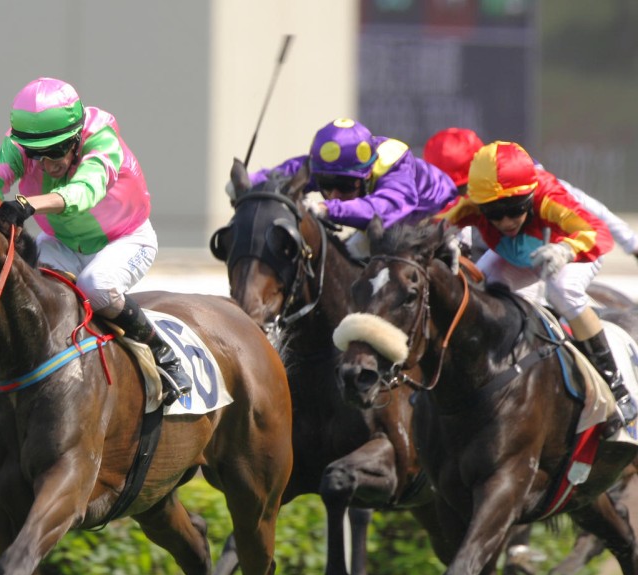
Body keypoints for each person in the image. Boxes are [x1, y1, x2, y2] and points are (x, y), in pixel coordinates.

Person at [0, 76, 191, 404]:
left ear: (76, 136)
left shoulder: (102, 138)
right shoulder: (20, 143)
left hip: (125, 240)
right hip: (62, 244)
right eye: (35, 155)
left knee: (94, 285)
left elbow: (82, 193)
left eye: (55, 151)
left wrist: (27, 205)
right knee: (32, 292)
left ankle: (163, 352)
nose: (47, 164)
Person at [440, 140, 636, 426]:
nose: (506, 221)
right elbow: (440, 224)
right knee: (473, 288)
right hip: (518, 253)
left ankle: (615, 385)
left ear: (529, 196)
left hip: (571, 249)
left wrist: (566, 250)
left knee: (562, 292)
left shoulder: (549, 195)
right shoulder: (472, 203)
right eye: (494, 213)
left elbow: (598, 233)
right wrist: (448, 241)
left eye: (515, 208)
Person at [240, 118, 458, 258]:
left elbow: (387, 208)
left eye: (344, 186)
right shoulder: (333, 168)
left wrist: (328, 209)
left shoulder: (394, 162)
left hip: (444, 218)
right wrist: (247, 182)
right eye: (326, 186)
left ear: (368, 173)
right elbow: (285, 174)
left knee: (353, 254)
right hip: (390, 227)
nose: (334, 195)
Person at [424, 127, 638, 262]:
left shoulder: (531, 179)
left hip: (540, 251)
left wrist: (631, 243)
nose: (457, 199)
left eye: (462, 189)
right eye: (446, 192)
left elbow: (592, 212)